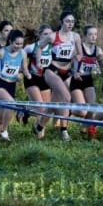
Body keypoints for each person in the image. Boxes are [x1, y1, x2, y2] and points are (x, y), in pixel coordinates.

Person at [32, 11, 82, 142]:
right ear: (61, 22)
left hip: (67, 72)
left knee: (53, 105)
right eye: (67, 21)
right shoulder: (53, 37)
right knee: (67, 97)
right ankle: (64, 131)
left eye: (72, 21)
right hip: (52, 71)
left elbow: (80, 55)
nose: (70, 24)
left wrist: (77, 69)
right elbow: (39, 48)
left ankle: (39, 126)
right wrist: (38, 61)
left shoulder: (76, 37)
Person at [0, 29, 31, 142]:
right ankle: (4, 130)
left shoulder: (23, 53)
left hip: (11, 86)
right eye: (16, 43)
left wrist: (27, 75)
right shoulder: (2, 52)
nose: (19, 46)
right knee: (11, 104)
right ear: (10, 41)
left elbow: (24, 68)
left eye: (21, 44)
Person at [69, 25, 103, 138]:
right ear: (85, 36)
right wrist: (74, 72)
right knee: (82, 112)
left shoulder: (98, 50)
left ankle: (84, 133)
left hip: (88, 79)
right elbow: (66, 63)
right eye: (90, 34)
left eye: (95, 34)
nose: (93, 37)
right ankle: (68, 110)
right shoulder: (78, 48)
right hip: (76, 80)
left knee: (91, 109)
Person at [21, 24, 53, 128]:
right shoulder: (32, 47)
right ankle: (25, 110)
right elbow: (19, 56)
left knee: (46, 110)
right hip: (32, 78)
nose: (48, 36)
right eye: (45, 34)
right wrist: (24, 70)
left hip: (45, 80)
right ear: (39, 35)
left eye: (50, 34)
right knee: (41, 108)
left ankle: (35, 126)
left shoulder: (53, 48)